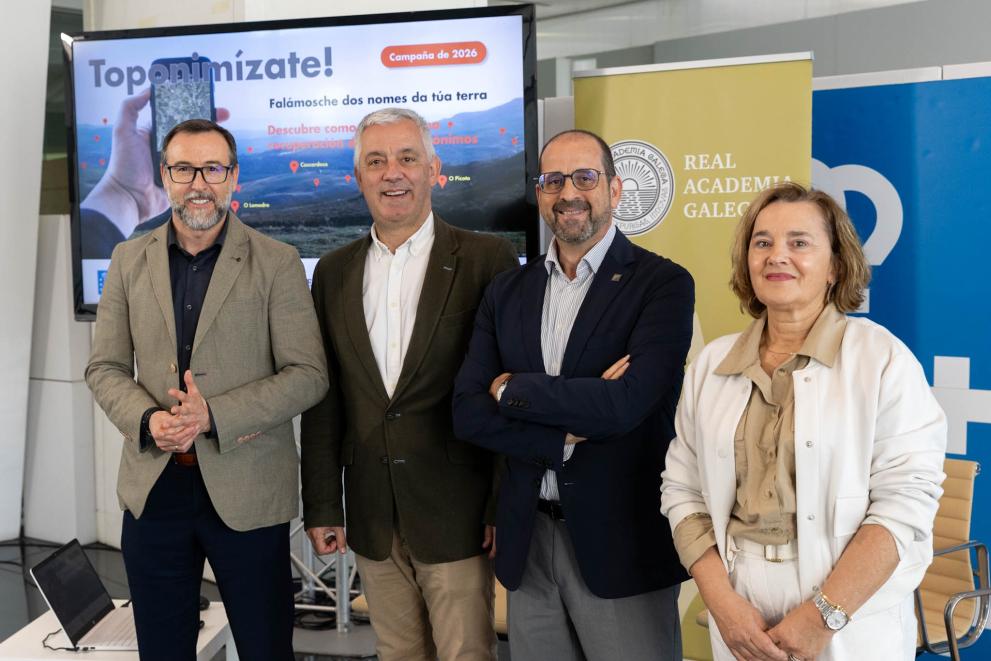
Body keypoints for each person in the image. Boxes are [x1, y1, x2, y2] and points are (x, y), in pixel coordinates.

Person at [661, 181, 947, 661]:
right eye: (762, 242)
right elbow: (682, 489)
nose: (777, 256)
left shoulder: (882, 360)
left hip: (848, 609)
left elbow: (905, 503)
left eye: (799, 242)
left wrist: (822, 618)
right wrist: (722, 602)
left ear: (835, 266)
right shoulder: (712, 365)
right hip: (740, 605)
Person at [85, 118, 328, 661]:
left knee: (265, 648)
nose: (199, 183)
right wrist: (150, 420)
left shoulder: (277, 262)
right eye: (184, 169)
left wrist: (212, 415)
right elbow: (104, 367)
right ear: (164, 176)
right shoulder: (127, 259)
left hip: (247, 491)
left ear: (233, 177)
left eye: (213, 169)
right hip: (154, 490)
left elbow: (308, 374)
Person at [452, 129, 695, 661]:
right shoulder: (507, 291)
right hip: (528, 539)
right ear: (539, 193)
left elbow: (624, 406)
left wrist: (511, 389)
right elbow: (467, 412)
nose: (568, 193)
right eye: (552, 180)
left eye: (585, 177)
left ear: (615, 189)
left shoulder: (662, 284)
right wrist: (561, 432)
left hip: (621, 544)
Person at [299, 107, 518, 661]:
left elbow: (507, 391)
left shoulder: (486, 258)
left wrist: (500, 503)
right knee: (398, 653)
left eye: (407, 158)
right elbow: (326, 399)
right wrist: (322, 504)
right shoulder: (332, 271)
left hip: (458, 512)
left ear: (433, 170)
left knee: (466, 653)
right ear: (359, 177)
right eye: (376, 161)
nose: (392, 173)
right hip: (371, 512)